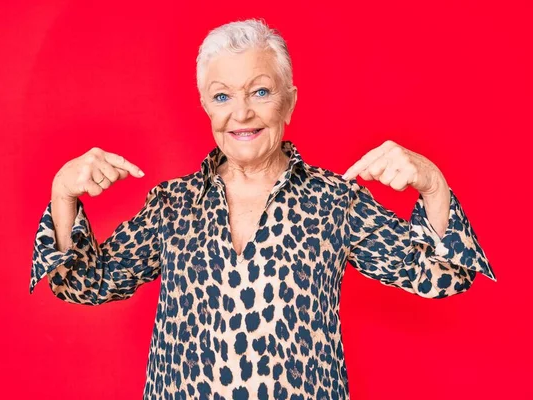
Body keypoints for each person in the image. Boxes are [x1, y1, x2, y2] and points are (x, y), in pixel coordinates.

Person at [29, 18, 496, 400]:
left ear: (289, 103)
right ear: (206, 108)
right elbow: (85, 285)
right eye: (222, 96)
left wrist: (433, 184)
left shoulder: (334, 200)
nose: (242, 113)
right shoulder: (171, 205)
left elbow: (442, 275)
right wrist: (62, 193)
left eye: (260, 91)